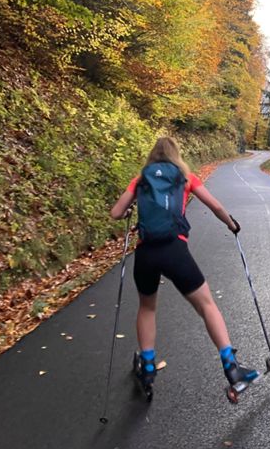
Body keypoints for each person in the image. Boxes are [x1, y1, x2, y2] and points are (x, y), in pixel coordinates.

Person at [110, 136, 258, 393]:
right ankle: (232, 368)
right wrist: (231, 225)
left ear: (152, 156)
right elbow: (215, 205)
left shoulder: (142, 179)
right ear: (176, 155)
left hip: (146, 253)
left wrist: (132, 210)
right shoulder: (185, 177)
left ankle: (147, 368)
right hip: (174, 250)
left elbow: (115, 213)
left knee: (147, 308)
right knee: (207, 305)